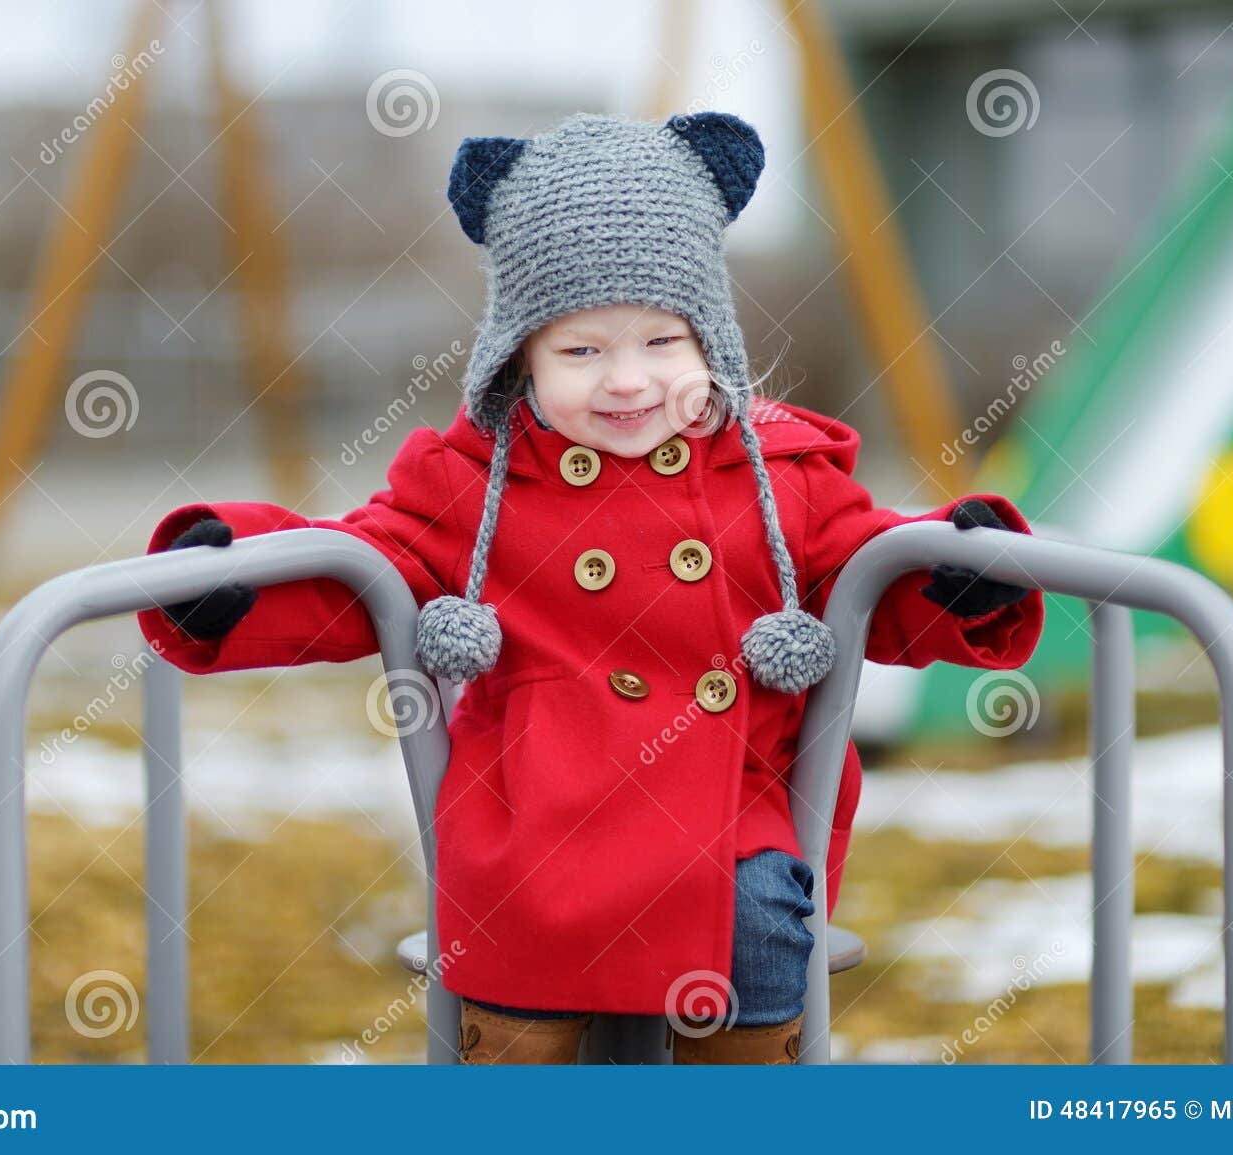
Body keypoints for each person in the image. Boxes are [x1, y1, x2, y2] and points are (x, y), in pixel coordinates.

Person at [137, 110, 1045, 1064]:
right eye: (580, 351)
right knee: (513, 941)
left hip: (731, 814)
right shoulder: (474, 483)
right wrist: (239, 577)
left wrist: (956, 575)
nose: (626, 381)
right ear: (519, 355)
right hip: (536, 815)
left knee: (758, 916)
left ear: (711, 342)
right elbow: (367, 568)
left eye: (662, 342)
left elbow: (868, 572)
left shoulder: (784, 480)